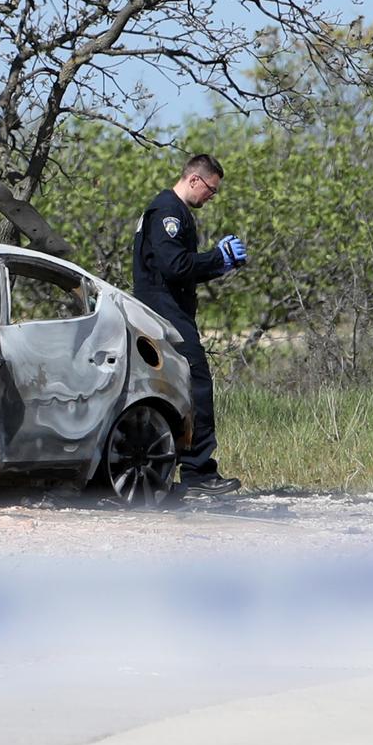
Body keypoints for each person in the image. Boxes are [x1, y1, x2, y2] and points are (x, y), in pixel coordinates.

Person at [131, 153, 248, 497]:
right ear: (195, 179)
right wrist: (216, 255)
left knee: (170, 390)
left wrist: (222, 265)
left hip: (168, 309)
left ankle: (163, 467)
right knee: (196, 386)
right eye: (211, 190)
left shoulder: (172, 211)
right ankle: (198, 471)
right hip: (166, 312)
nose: (210, 197)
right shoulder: (168, 211)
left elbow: (181, 270)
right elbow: (173, 267)